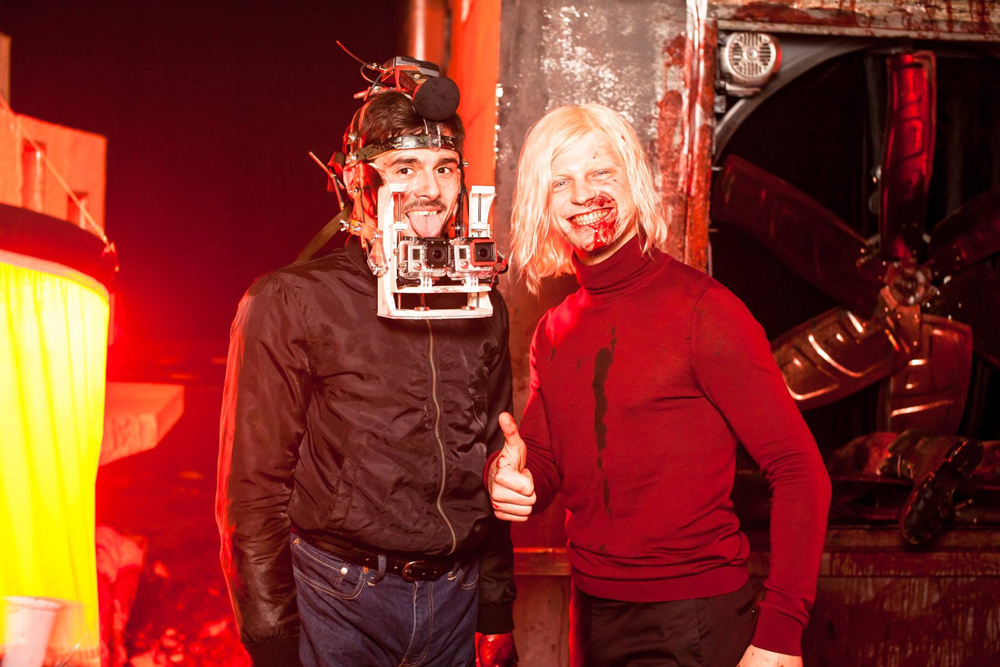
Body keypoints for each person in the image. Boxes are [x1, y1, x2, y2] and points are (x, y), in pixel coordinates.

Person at [487, 103, 831, 667]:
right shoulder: (553, 330)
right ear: (543, 204)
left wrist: (780, 635)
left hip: (692, 619)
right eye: (560, 182)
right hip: (591, 613)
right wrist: (510, 479)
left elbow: (800, 471)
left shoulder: (704, 311)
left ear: (634, 180)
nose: (582, 193)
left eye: (600, 172)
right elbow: (544, 465)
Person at [217, 67, 517, 667]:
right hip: (339, 597)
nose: (429, 189)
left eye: (444, 168)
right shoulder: (293, 301)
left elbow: (496, 458)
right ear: (359, 180)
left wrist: (494, 609)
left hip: (454, 599)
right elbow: (253, 490)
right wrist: (272, 640)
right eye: (404, 168)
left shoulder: (482, 302)